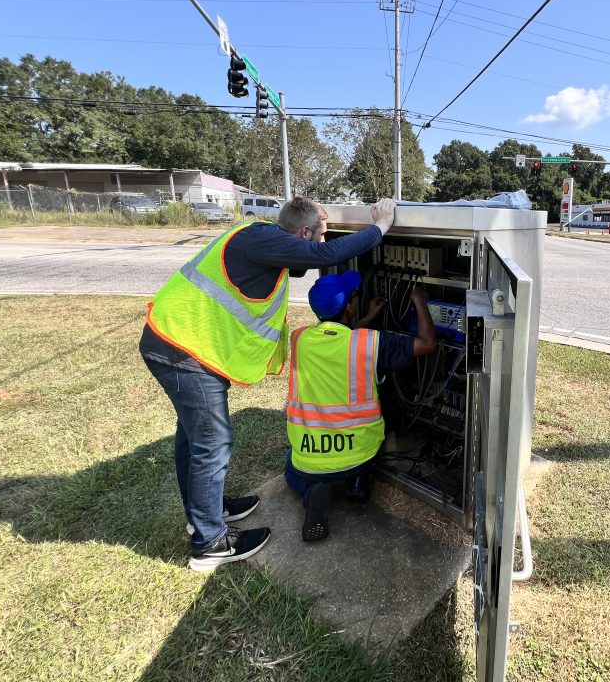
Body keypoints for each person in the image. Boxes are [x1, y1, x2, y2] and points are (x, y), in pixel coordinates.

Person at [140, 197, 397, 572]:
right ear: (304, 233)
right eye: (321, 236)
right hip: (182, 350)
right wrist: (380, 228)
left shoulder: (263, 243)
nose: (323, 245)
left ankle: (209, 512)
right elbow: (326, 257)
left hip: (186, 347)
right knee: (212, 442)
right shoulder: (258, 240)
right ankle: (210, 542)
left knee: (193, 439)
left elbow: (301, 264)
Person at [284, 271, 437, 542]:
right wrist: (419, 299)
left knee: (291, 466)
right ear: (350, 307)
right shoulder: (370, 341)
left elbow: (336, 340)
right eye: (353, 297)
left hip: (310, 454)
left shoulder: (299, 338)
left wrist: (366, 318)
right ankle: (358, 481)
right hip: (362, 451)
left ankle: (312, 492)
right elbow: (427, 344)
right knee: (388, 403)